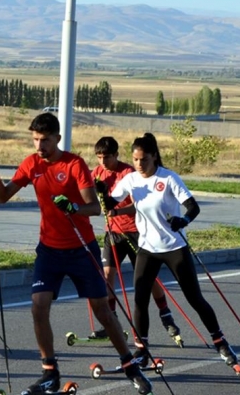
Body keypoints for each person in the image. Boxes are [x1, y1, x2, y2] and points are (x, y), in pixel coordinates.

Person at [0, 113, 152, 395]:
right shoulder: (31, 164)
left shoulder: (74, 164)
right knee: (38, 306)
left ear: (57, 138)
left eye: (45, 140)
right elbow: (1, 196)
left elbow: (93, 208)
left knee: (103, 312)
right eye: (35, 139)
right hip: (49, 250)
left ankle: (129, 364)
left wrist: (72, 208)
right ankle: (50, 372)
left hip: (81, 249)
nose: (39, 145)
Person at [106, 132, 240, 371]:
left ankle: (220, 342)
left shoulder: (168, 178)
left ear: (154, 157)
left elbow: (193, 207)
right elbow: (109, 201)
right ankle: (142, 350)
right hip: (147, 248)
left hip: (173, 247)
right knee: (139, 299)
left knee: (194, 298)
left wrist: (183, 220)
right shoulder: (131, 179)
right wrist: (100, 194)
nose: (139, 165)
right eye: (135, 160)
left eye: (144, 159)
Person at [89, 136, 182, 344]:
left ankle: (165, 314)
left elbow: (139, 205)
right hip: (112, 232)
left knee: (146, 279)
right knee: (107, 275)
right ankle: (110, 321)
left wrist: (117, 210)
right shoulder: (97, 173)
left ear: (116, 155)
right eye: (99, 157)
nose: (103, 162)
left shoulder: (129, 173)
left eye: (107, 157)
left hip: (135, 231)